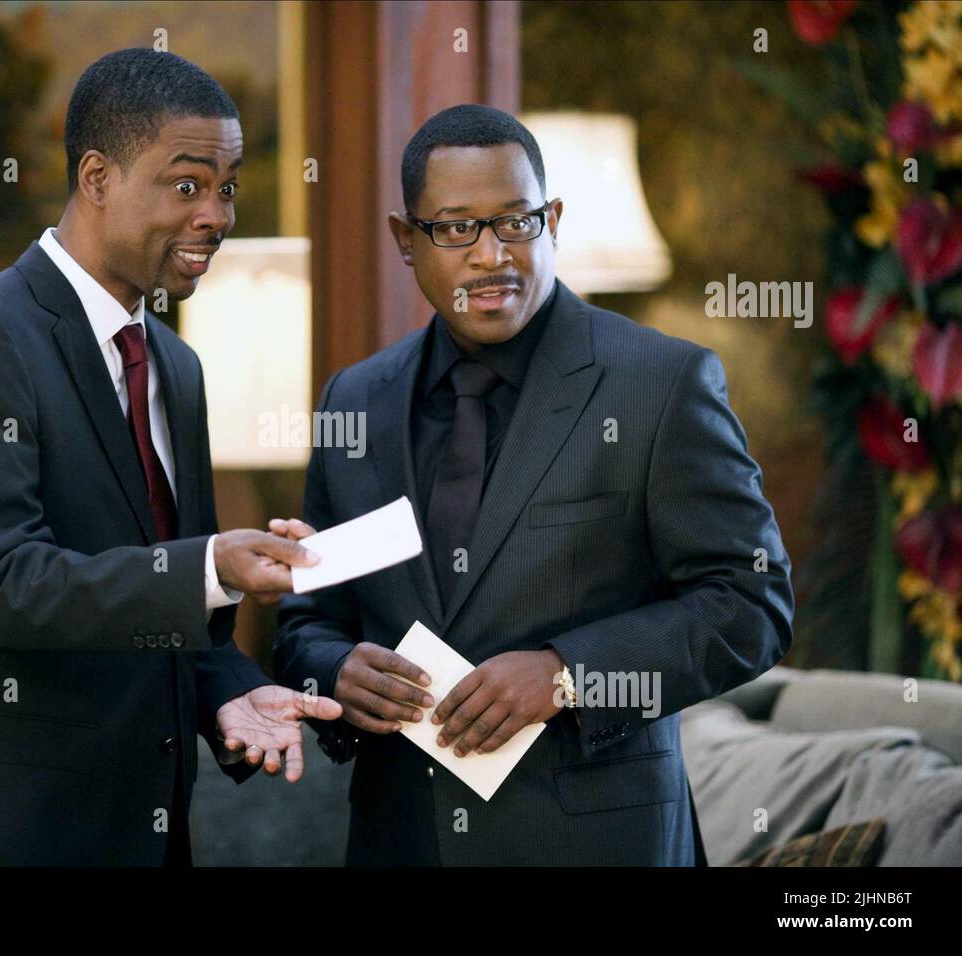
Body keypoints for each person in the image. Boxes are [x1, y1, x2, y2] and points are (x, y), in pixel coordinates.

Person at [272, 104, 793, 865]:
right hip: (401, 840)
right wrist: (336, 671)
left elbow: (753, 604)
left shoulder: (660, 382)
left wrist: (568, 675)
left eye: (515, 222)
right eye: (455, 228)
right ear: (405, 241)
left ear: (551, 220)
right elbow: (308, 619)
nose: (491, 256)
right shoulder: (354, 401)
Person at [0, 49, 340, 867]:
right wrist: (212, 565)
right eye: (186, 185)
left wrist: (235, 693)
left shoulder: (175, 365)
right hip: (12, 830)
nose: (217, 214)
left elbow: (167, 613)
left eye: (228, 187)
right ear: (96, 177)